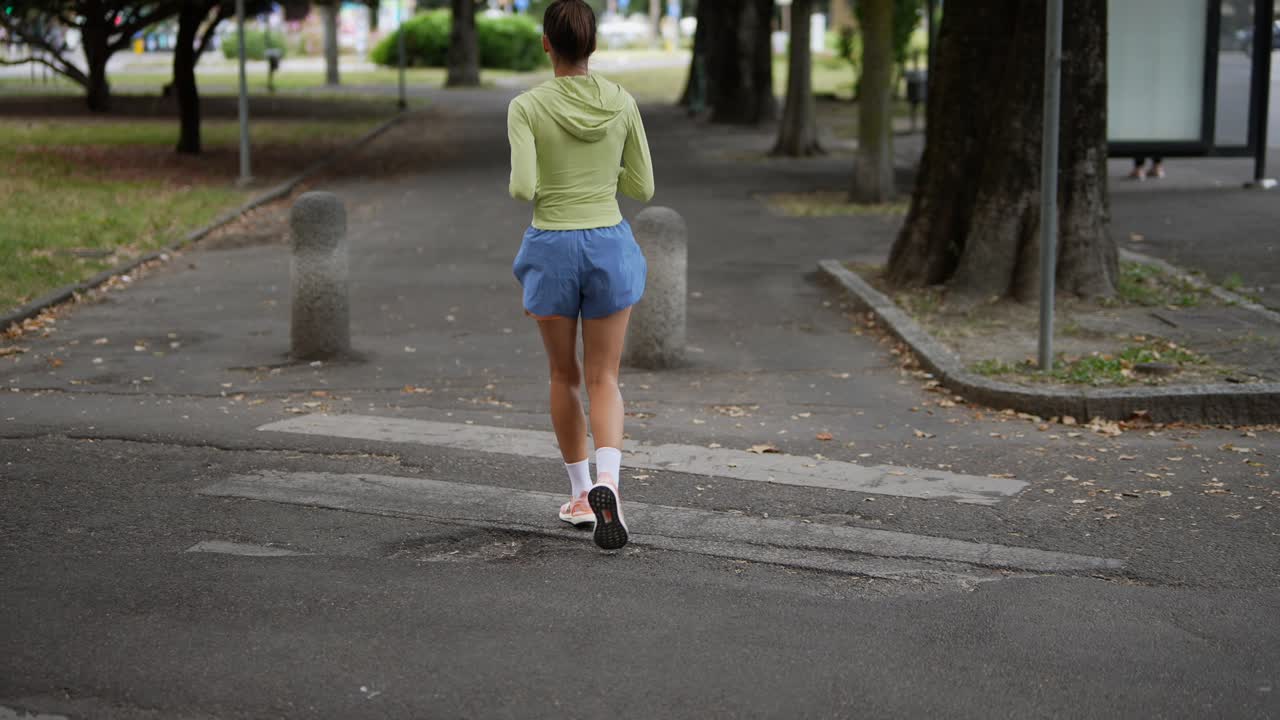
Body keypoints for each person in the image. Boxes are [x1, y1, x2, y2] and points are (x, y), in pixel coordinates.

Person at [507, 0, 654, 551]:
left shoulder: (527, 107)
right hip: (608, 243)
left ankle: (579, 493)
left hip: (552, 245)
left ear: (547, 43)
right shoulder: (622, 102)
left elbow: (522, 188)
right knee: (604, 377)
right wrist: (603, 175)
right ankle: (608, 483)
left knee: (562, 375)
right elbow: (643, 187)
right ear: (592, 44)